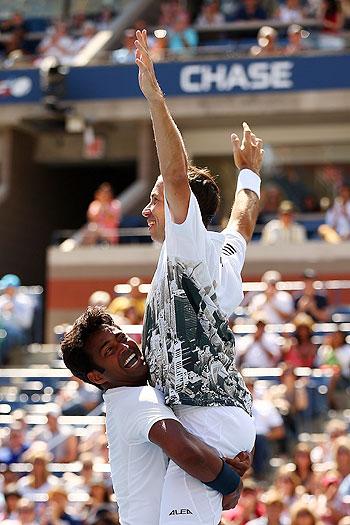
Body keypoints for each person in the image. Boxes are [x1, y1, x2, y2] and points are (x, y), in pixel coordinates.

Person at [135, 28, 263, 523]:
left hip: (204, 419)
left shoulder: (186, 247)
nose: (149, 209)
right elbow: (244, 217)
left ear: (178, 206)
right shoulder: (221, 250)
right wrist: (249, 171)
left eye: (156, 201)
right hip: (213, 417)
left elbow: (174, 170)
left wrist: (153, 94)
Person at [61, 307, 251, 525]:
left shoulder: (134, 397)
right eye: (109, 351)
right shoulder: (135, 400)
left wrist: (227, 462)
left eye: (121, 337)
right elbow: (185, 449)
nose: (125, 347)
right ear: (96, 376)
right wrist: (230, 483)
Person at [0, 274, 35, 363]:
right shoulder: (2, 300)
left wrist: (14, 311)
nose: (6, 290)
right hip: (3, 331)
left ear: (14, 288)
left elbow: (26, 324)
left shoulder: (24, 301)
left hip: (20, 335)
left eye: (8, 288)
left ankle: (2, 362)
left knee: (8, 335)